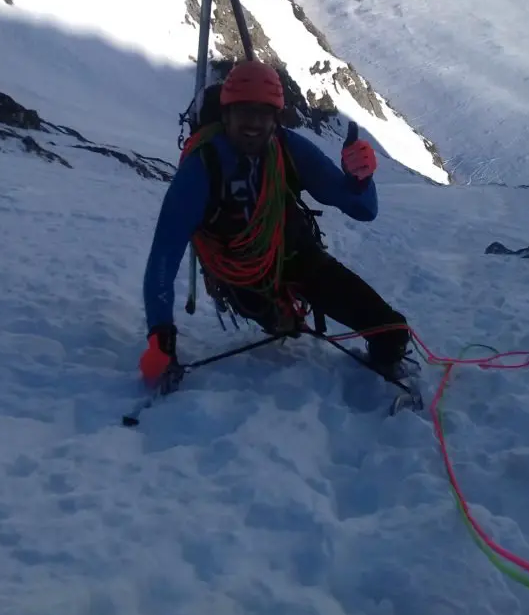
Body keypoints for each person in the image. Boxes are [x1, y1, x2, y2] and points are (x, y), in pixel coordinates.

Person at [140, 60, 410, 389]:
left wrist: (359, 181)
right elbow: (164, 256)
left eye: (263, 113)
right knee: (283, 322)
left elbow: (364, 210)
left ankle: (382, 359)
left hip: (297, 253)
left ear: (275, 118)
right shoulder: (203, 167)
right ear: (226, 115)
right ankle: (280, 313)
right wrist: (161, 337)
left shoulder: (287, 148)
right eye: (243, 112)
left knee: (393, 333)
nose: (253, 123)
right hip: (240, 275)